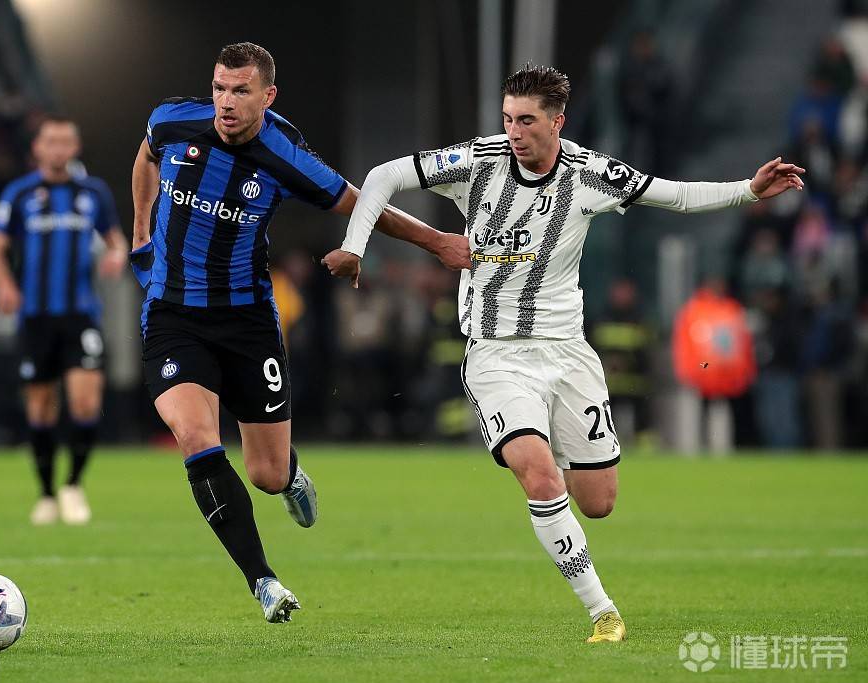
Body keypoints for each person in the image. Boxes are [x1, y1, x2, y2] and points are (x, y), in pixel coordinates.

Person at [325, 64, 804, 642]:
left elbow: (673, 194)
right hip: (497, 355)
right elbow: (382, 176)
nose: (514, 132)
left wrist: (747, 190)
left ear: (557, 122)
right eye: (508, 119)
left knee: (598, 502)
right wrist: (355, 246)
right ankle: (603, 612)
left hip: (568, 354)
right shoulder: (477, 161)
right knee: (540, 475)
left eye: (527, 121)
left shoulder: (590, 174)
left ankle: (553, 464)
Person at [130, 42, 468, 624]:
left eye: (240, 91)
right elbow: (145, 156)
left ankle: (289, 475)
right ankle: (263, 580)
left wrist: (437, 242)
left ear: (267, 95)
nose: (225, 102)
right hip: (173, 315)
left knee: (265, 473)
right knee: (196, 437)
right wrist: (141, 232)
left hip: (248, 324)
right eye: (219, 88)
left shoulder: (284, 155)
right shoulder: (172, 121)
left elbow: (363, 205)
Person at [0, 115, 127, 526]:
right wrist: (5, 285)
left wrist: (117, 254)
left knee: (86, 401)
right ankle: (46, 493)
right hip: (35, 317)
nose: (58, 148)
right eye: (51, 141)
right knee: (41, 408)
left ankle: (73, 484)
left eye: (66, 141)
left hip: (81, 314)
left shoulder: (93, 193)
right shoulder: (19, 193)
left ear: (75, 148)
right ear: (38, 148)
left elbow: (115, 239)